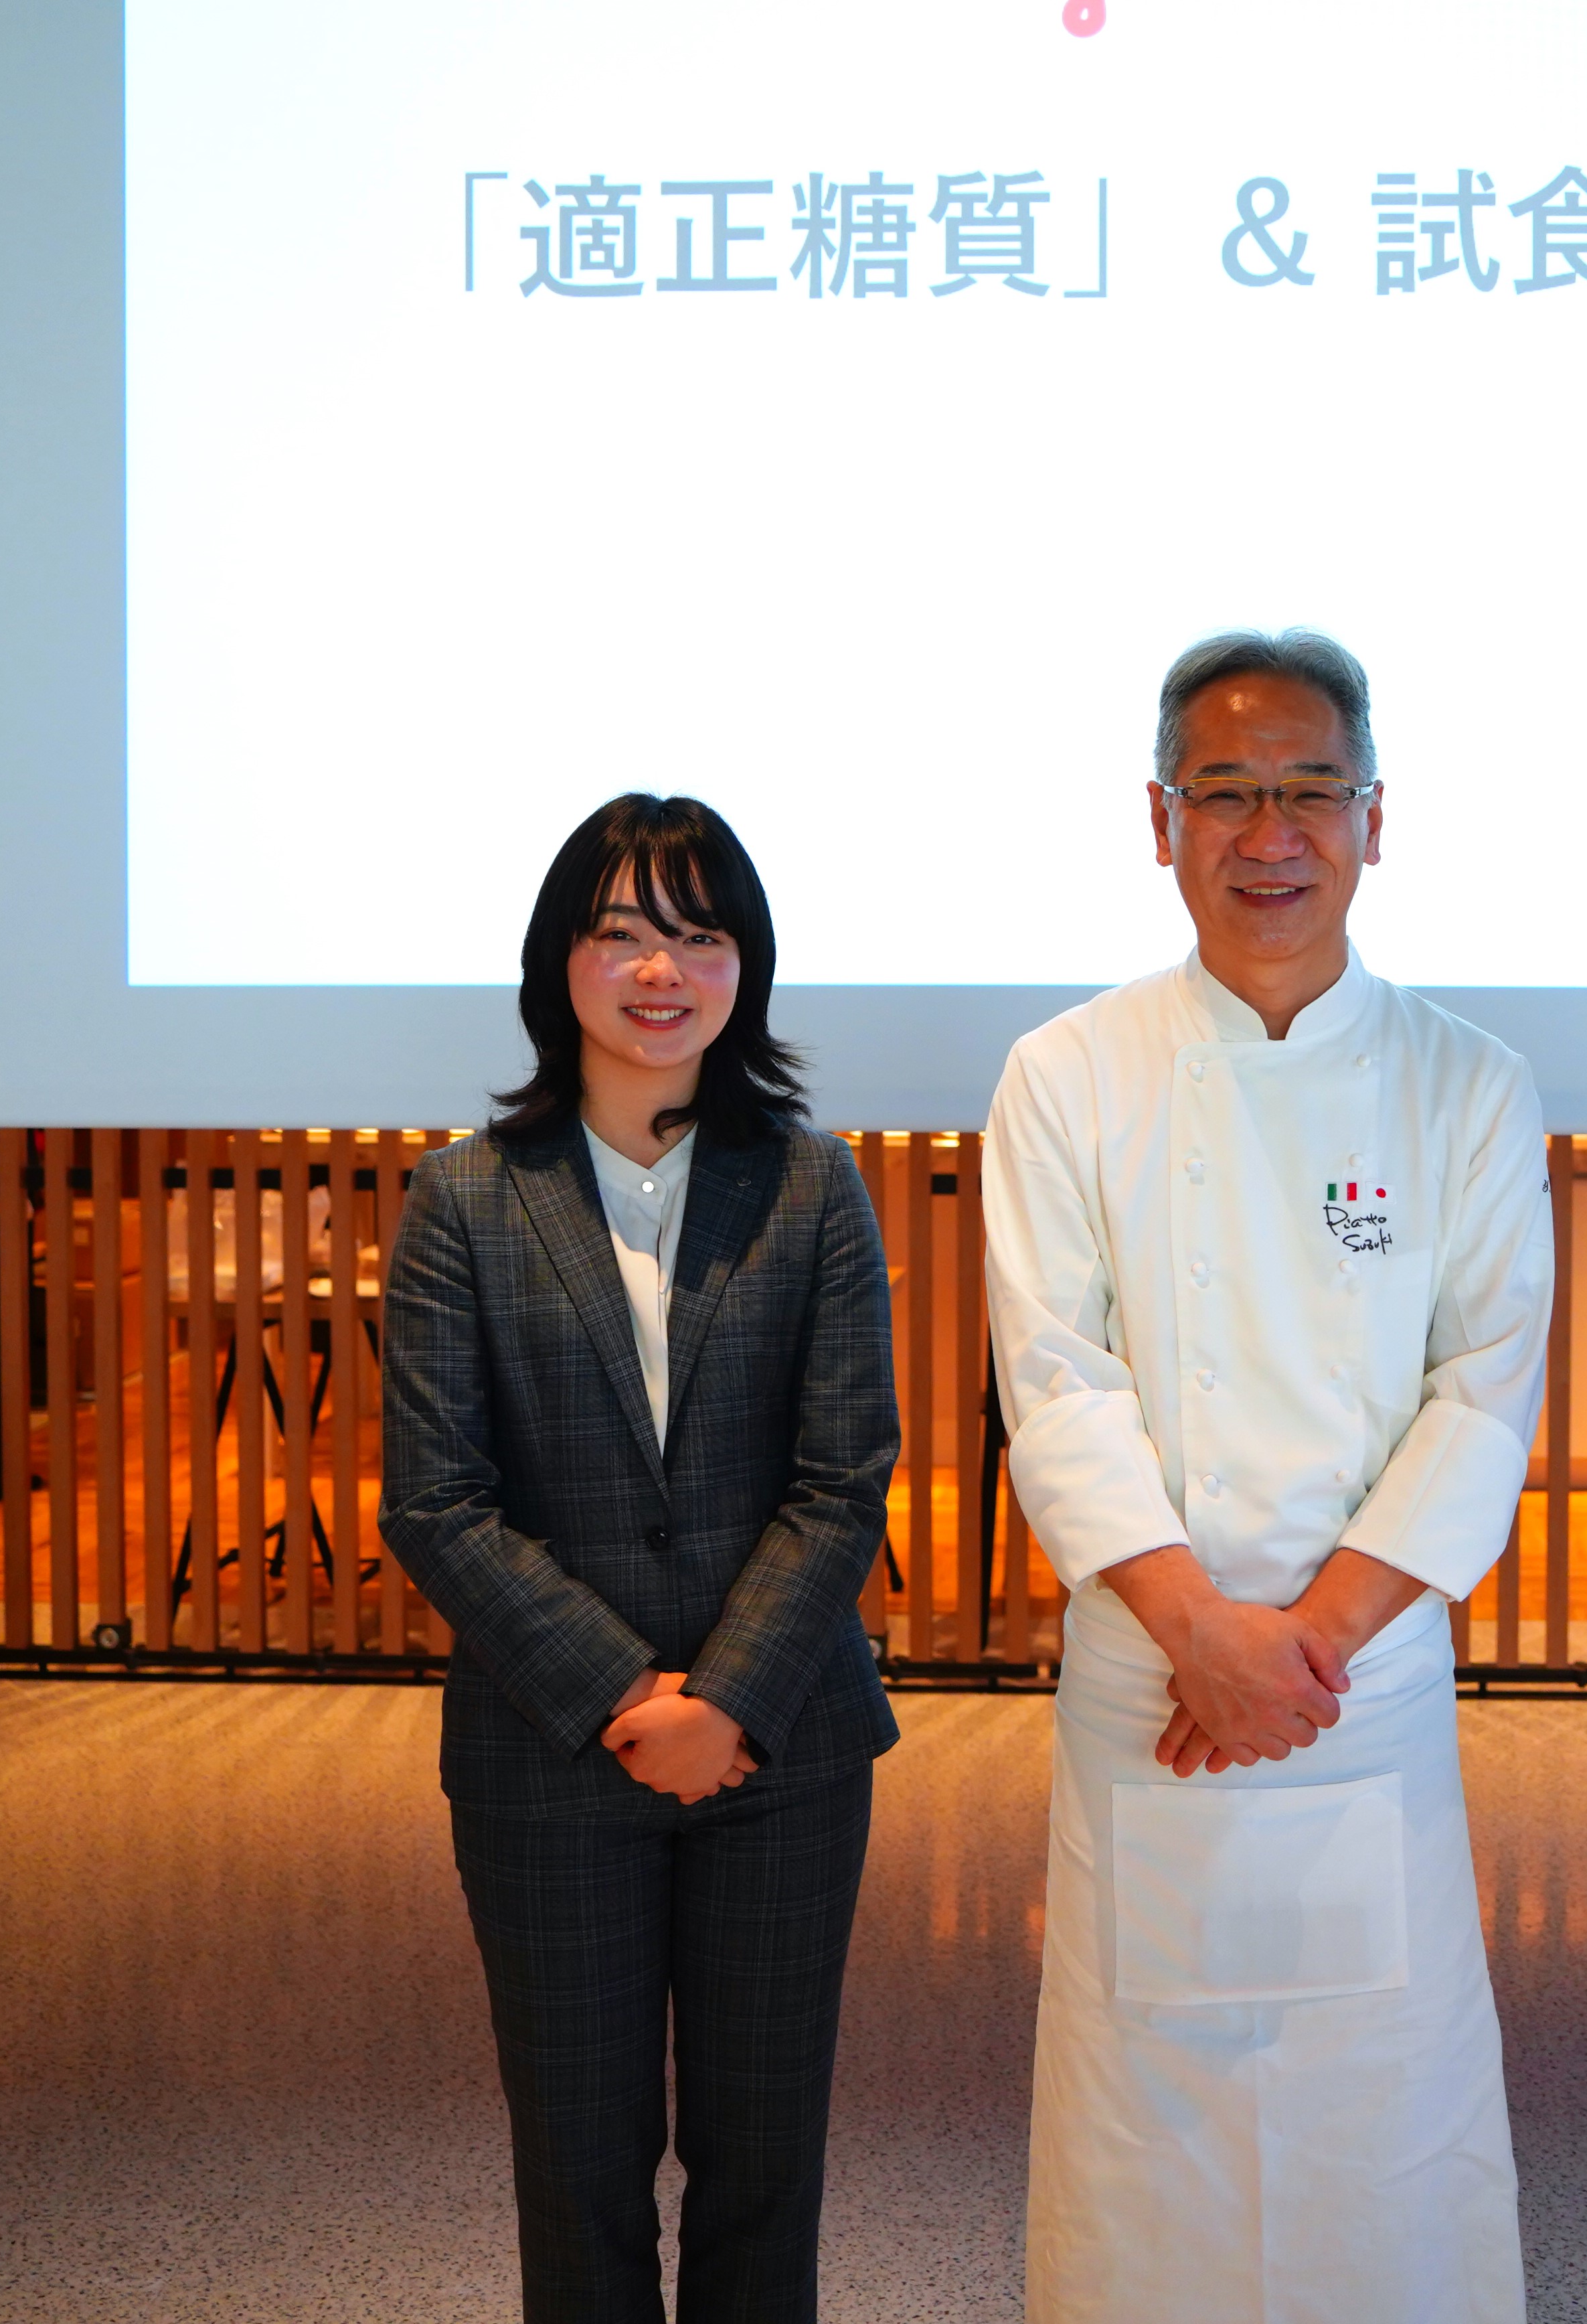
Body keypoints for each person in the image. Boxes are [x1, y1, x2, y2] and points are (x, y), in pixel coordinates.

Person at [982, 629, 1553, 2324]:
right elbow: (1058, 1387)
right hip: (1151, 1682)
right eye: (1226, 792)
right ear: (1160, 820)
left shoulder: (1466, 1082)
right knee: (1146, 2130)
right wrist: (1203, 1633)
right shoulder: (1066, 1074)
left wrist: (1301, 1646)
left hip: (1355, 1692)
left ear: (1377, 818)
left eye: (1310, 788)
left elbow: (1482, 1395)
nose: (1270, 832)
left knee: (1383, 2119)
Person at [382, 793, 902, 2324]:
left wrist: (724, 1700)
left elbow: (843, 1478)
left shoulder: (813, 1183)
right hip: (550, 1756)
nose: (660, 967)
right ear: (561, 959)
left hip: (785, 1750)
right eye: (621, 930)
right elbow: (437, 1499)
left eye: (699, 932)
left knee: (765, 2168)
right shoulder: (464, 1195)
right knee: (579, 2171)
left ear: (747, 965)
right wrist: (630, 1694)